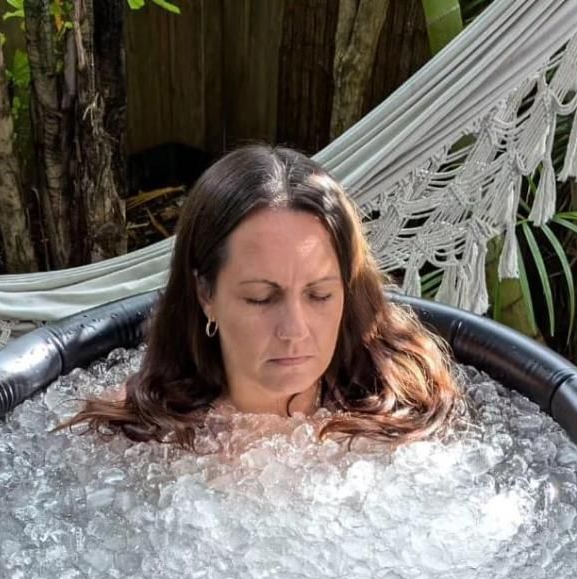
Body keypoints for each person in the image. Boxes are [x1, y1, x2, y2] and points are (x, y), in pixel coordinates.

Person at [60, 143, 467, 449]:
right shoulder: (138, 438)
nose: (294, 329)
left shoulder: (408, 415)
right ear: (205, 294)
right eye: (260, 298)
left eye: (319, 295)